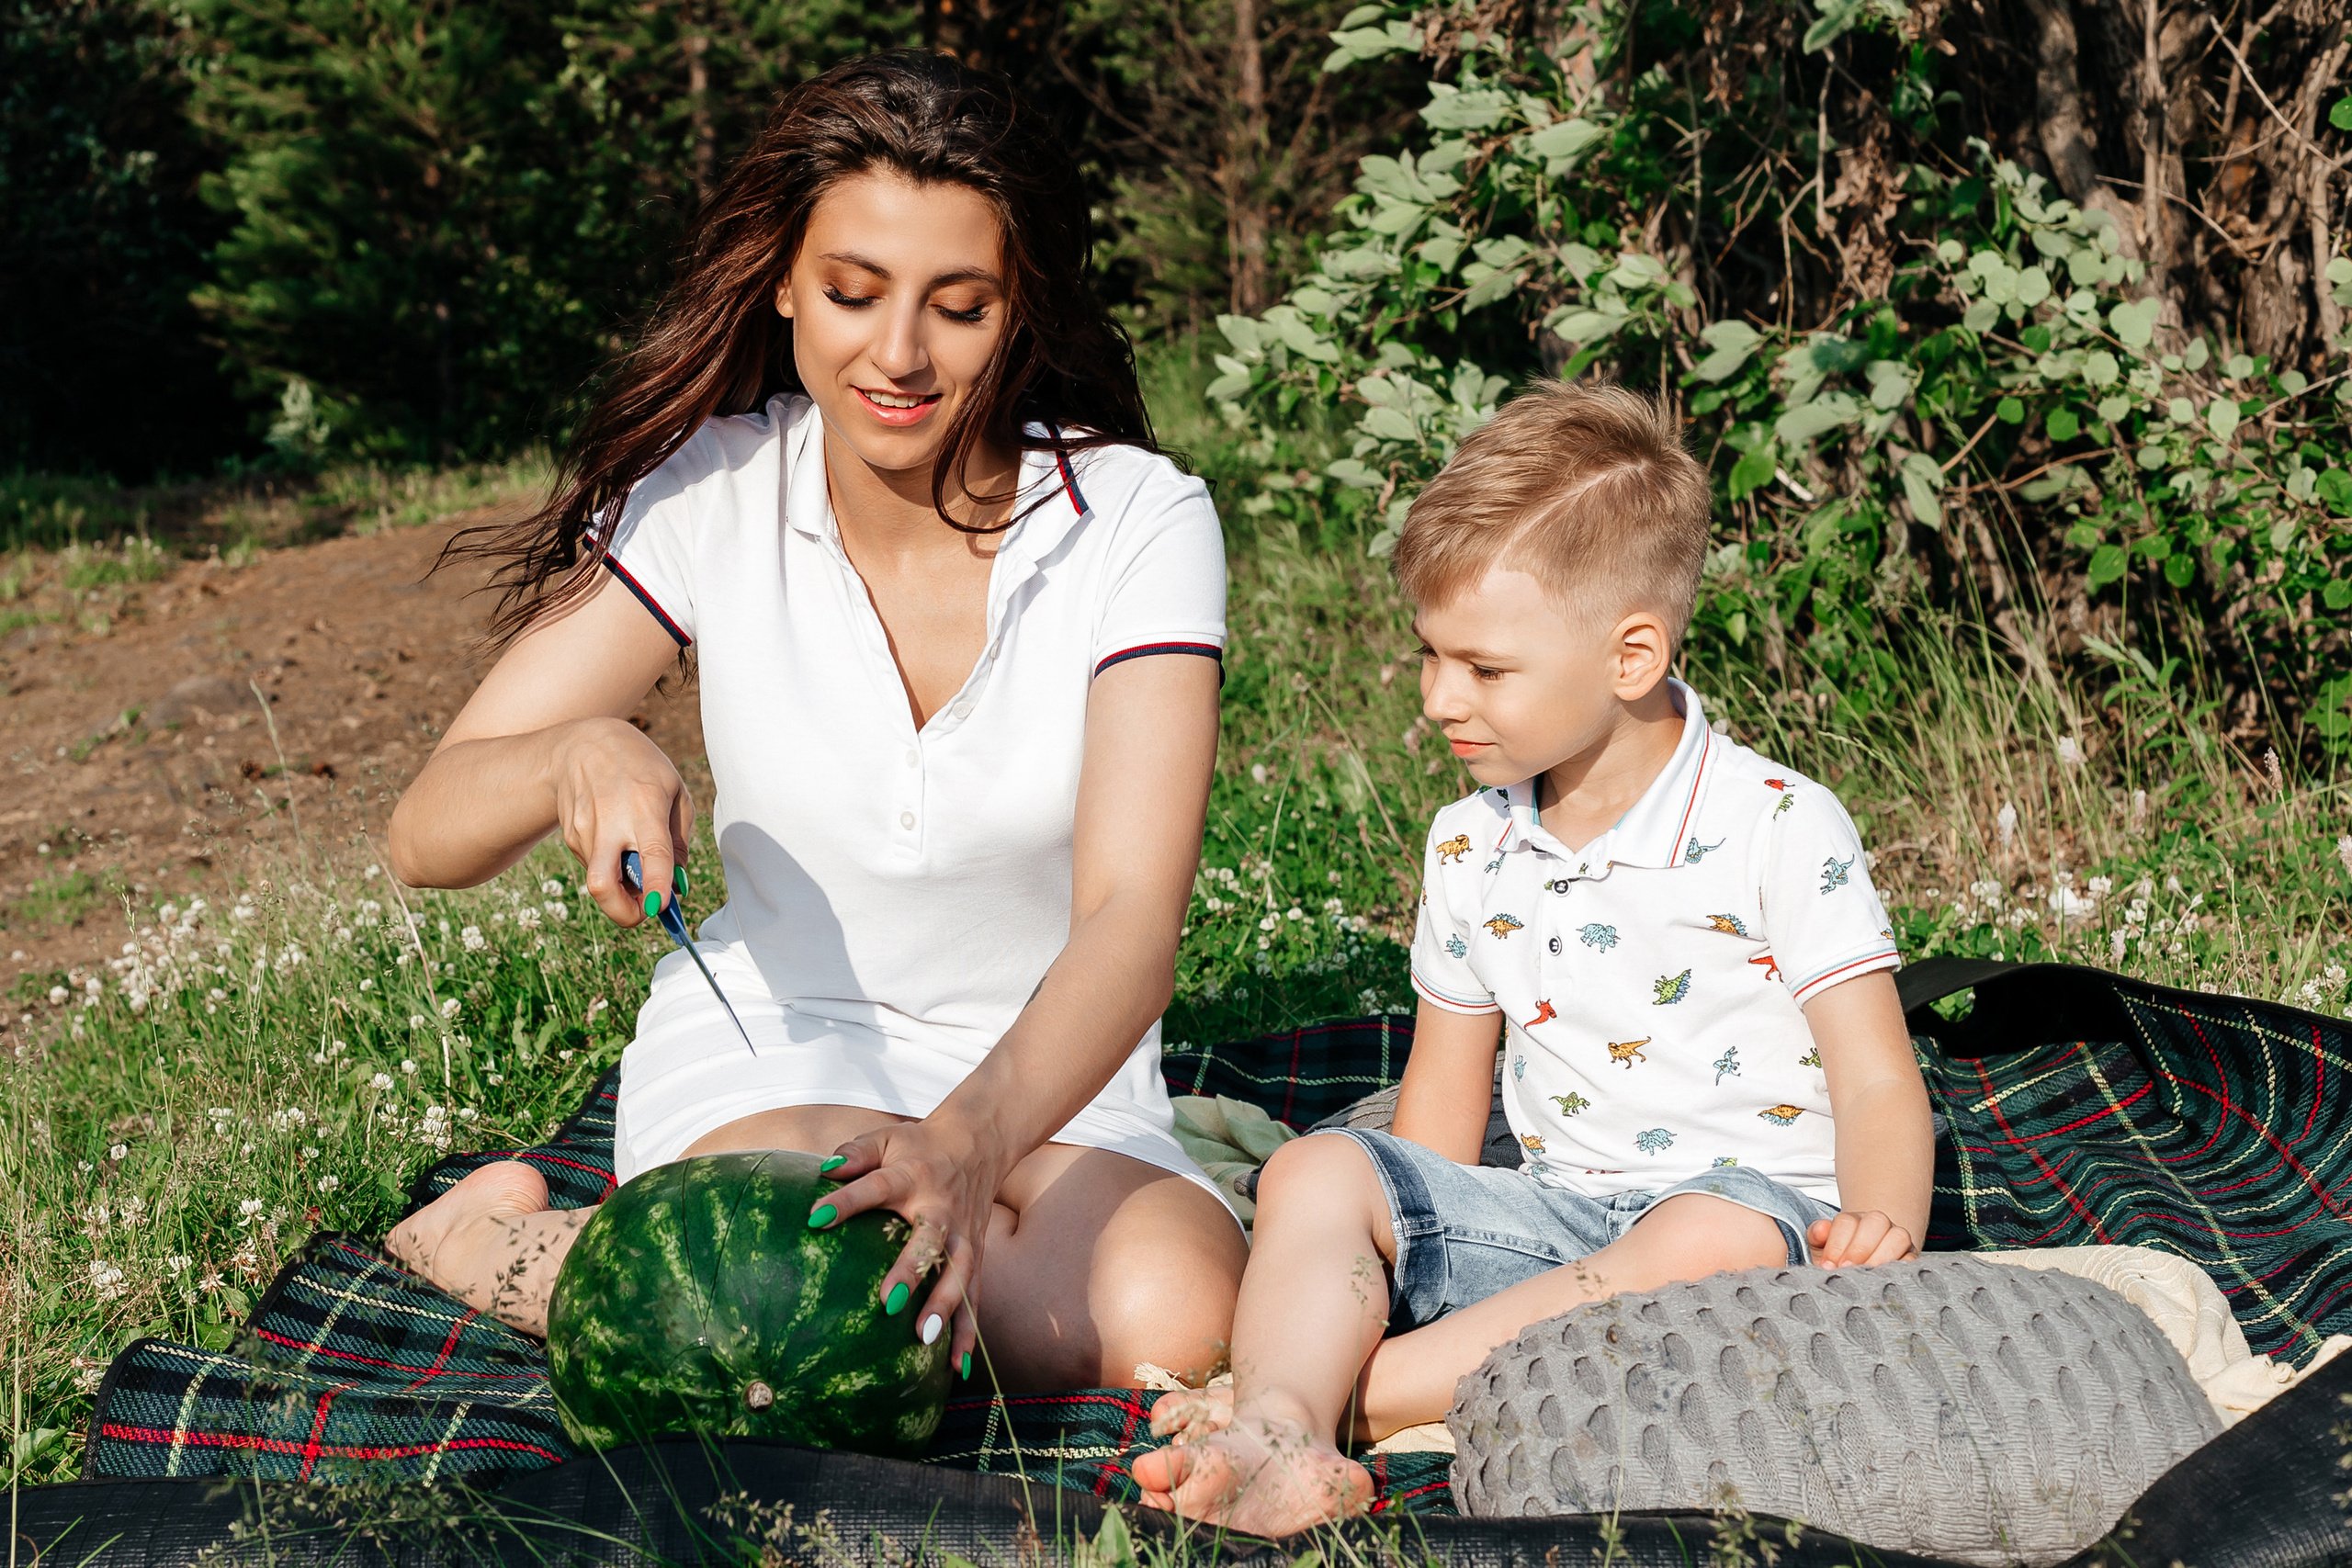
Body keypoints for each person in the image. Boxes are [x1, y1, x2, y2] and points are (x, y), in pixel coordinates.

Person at [381, 51, 1248, 1393]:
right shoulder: (711, 494)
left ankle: (562, 1259)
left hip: (1049, 1072)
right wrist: (574, 751)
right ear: (784, 278)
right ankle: (494, 1242)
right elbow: (423, 833)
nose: (897, 354)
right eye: (851, 293)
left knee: (1171, 1325)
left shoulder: (1137, 519)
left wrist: (968, 1143)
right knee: (799, 1292)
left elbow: (1132, 918)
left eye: (958, 307)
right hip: (781, 1049)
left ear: (1018, 311)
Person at [1134, 382, 1933, 1533]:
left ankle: (1315, 1407)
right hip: (1551, 1217)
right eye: (1429, 656)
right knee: (1317, 1170)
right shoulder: (1471, 843)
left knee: (1695, 1241)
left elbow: (1872, 1076)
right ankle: (1292, 1420)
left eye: (1484, 668)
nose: (1438, 699)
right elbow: (1442, 1106)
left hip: (1746, 1226)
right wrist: (1398, 1215)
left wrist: (1884, 1227)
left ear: (1631, 654)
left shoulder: (1776, 823)